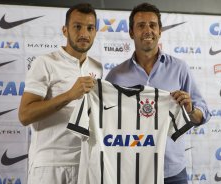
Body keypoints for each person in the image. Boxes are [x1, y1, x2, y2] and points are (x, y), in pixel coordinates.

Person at [105, 3, 211, 184]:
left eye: (153, 25)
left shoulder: (179, 68)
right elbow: (106, 120)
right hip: (131, 170)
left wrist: (190, 110)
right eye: (141, 25)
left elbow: (204, 114)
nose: (148, 30)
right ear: (131, 32)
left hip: (172, 172)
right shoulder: (115, 75)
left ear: (160, 31)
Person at [18, 3, 102, 184]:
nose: (84, 34)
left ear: (95, 32)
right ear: (65, 30)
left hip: (85, 162)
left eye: (90, 28)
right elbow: (24, 115)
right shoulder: (45, 62)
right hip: (50, 164)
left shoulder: (97, 67)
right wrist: (69, 95)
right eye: (77, 27)